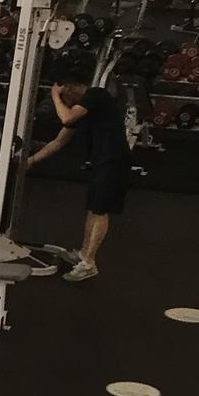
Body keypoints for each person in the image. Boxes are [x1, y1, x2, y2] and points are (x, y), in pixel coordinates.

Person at [22, 75, 129, 284]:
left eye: (64, 96)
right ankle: (83, 254)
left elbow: (66, 118)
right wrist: (30, 161)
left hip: (114, 161)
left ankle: (89, 264)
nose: (64, 102)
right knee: (93, 209)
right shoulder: (81, 110)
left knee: (100, 210)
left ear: (69, 89)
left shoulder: (96, 95)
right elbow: (58, 142)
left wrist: (55, 96)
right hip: (100, 162)